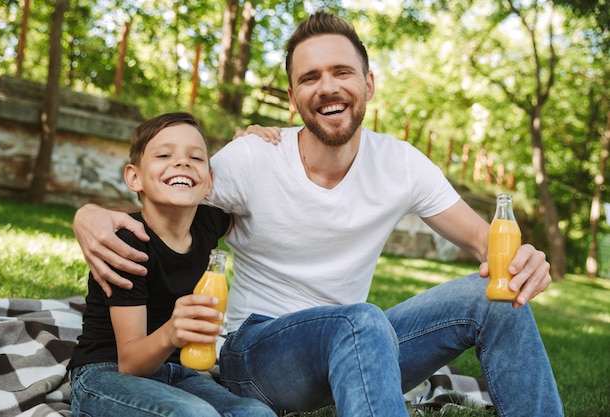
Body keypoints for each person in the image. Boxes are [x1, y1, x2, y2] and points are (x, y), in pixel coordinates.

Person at [72, 11, 564, 417]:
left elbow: (487, 244)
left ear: (368, 84)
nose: (327, 87)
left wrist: (525, 263)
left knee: (494, 297)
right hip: (259, 355)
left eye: (341, 72)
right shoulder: (251, 159)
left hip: (361, 350)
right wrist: (90, 214)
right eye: (309, 77)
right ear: (293, 98)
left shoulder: (403, 163)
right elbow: (169, 200)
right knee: (361, 321)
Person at [67, 112, 275, 417]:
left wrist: (252, 143)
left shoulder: (208, 223)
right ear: (134, 177)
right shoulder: (126, 244)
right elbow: (130, 362)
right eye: (164, 155)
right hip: (105, 374)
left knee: (257, 414)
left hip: (177, 372)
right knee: (193, 414)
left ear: (209, 182)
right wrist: (171, 334)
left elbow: (258, 185)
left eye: (196, 157)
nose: (182, 162)